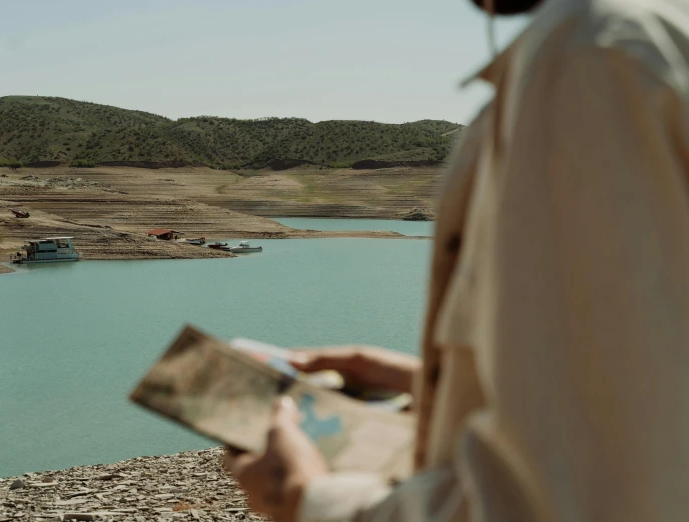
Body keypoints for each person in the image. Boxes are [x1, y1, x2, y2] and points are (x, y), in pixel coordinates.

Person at [225, 0, 689, 520]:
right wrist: (447, 392)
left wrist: (305, 498)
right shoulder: (639, 40)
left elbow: (575, 502)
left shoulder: (584, 57)